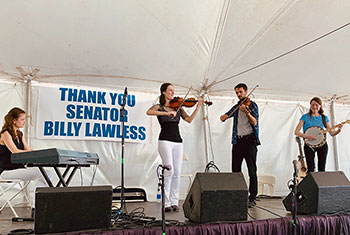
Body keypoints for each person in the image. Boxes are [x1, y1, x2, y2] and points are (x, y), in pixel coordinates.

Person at [146, 83, 203, 212]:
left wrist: (198, 107)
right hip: (165, 141)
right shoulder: (159, 107)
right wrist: (166, 114)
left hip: (178, 141)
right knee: (169, 170)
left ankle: (174, 201)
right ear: (163, 92)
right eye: (170, 90)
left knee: (177, 172)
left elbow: (189, 119)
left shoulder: (178, 107)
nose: (173, 93)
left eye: (173, 90)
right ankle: (165, 202)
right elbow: (149, 112)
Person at [0, 107, 51, 217]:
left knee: (47, 174)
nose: (24, 122)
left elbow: (28, 150)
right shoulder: (5, 134)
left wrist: (44, 153)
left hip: (19, 169)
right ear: (14, 120)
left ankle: (38, 206)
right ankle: (36, 208)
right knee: (43, 173)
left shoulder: (19, 134)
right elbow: (15, 151)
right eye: (22, 119)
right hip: (6, 171)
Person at [220, 83, 260, 208]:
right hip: (237, 141)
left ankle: (252, 197)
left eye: (240, 92)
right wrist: (224, 116)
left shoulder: (252, 105)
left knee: (252, 171)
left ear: (246, 92)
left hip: (249, 142)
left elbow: (255, 121)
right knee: (235, 170)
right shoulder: (236, 106)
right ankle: (237, 195)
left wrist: (247, 113)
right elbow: (224, 117)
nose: (239, 94)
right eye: (237, 92)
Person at [294, 97, 342, 172]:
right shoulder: (305, 117)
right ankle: (311, 183)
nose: (314, 107)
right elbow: (296, 132)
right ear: (310, 106)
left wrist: (338, 130)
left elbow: (332, 133)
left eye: (317, 105)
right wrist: (307, 136)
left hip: (322, 146)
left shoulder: (324, 118)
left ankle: (321, 183)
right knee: (310, 169)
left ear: (320, 106)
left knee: (322, 169)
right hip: (309, 145)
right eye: (313, 105)